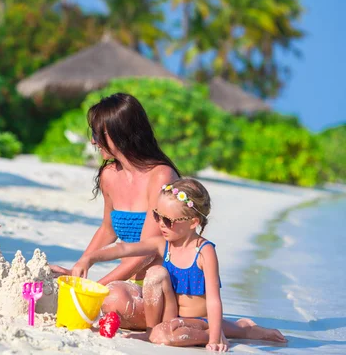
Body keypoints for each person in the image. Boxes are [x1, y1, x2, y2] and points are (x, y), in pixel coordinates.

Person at [72, 178, 287, 352]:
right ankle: (152, 330)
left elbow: (213, 300)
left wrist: (213, 337)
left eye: (169, 221)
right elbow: (123, 249)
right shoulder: (162, 244)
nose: (160, 224)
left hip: (199, 320)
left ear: (193, 222)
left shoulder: (205, 252)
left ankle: (234, 330)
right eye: (157, 216)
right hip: (173, 316)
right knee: (155, 273)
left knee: (163, 336)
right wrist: (89, 258)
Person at [50, 93, 181, 329]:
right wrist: (77, 269)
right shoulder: (108, 175)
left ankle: (193, 320)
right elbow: (107, 229)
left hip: (162, 287)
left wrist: (96, 288)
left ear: (121, 133)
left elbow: (147, 251)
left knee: (111, 299)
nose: (93, 141)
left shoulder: (161, 176)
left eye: (98, 134)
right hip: (127, 283)